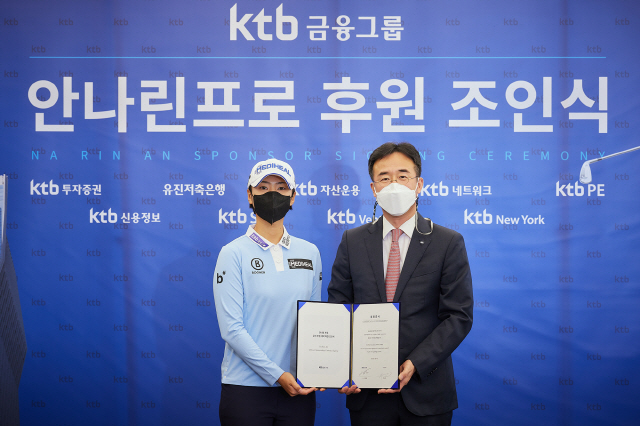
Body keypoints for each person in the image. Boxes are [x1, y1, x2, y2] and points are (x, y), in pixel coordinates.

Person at [328, 142, 473, 426]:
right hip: (366, 393)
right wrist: (342, 368)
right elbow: (339, 310)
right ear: (373, 189)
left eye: (403, 176)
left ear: (419, 184)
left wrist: (417, 363)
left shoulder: (447, 242)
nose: (394, 185)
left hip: (427, 392)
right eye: (384, 178)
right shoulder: (352, 242)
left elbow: (459, 316)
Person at [213, 159, 323, 426]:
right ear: (250, 195)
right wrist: (277, 375)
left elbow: (315, 322)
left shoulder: (310, 253)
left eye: (281, 188)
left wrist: (321, 368)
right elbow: (231, 329)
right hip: (246, 390)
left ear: (293, 197)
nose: (272, 194)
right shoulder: (233, 253)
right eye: (263, 187)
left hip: (298, 389)